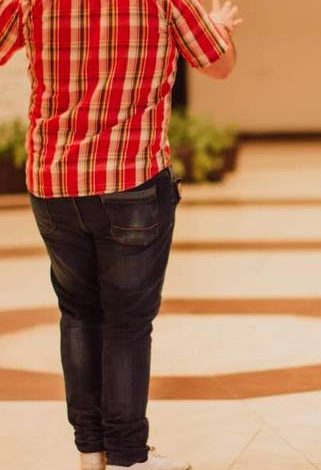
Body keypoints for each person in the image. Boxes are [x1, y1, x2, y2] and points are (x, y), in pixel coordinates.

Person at [0, 1, 241, 469]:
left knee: (78, 314)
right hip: (131, 182)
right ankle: (128, 458)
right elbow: (218, 65)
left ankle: (90, 451)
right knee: (127, 322)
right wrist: (218, 28)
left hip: (54, 183)